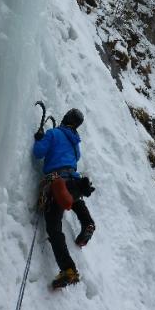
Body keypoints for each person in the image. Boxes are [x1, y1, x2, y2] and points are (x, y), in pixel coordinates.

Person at [33, 108, 95, 289]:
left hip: (57, 181)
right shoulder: (75, 143)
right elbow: (75, 159)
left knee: (54, 227)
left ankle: (68, 269)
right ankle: (87, 222)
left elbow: (38, 152)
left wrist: (39, 138)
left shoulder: (53, 133)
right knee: (74, 198)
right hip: (74, 180)